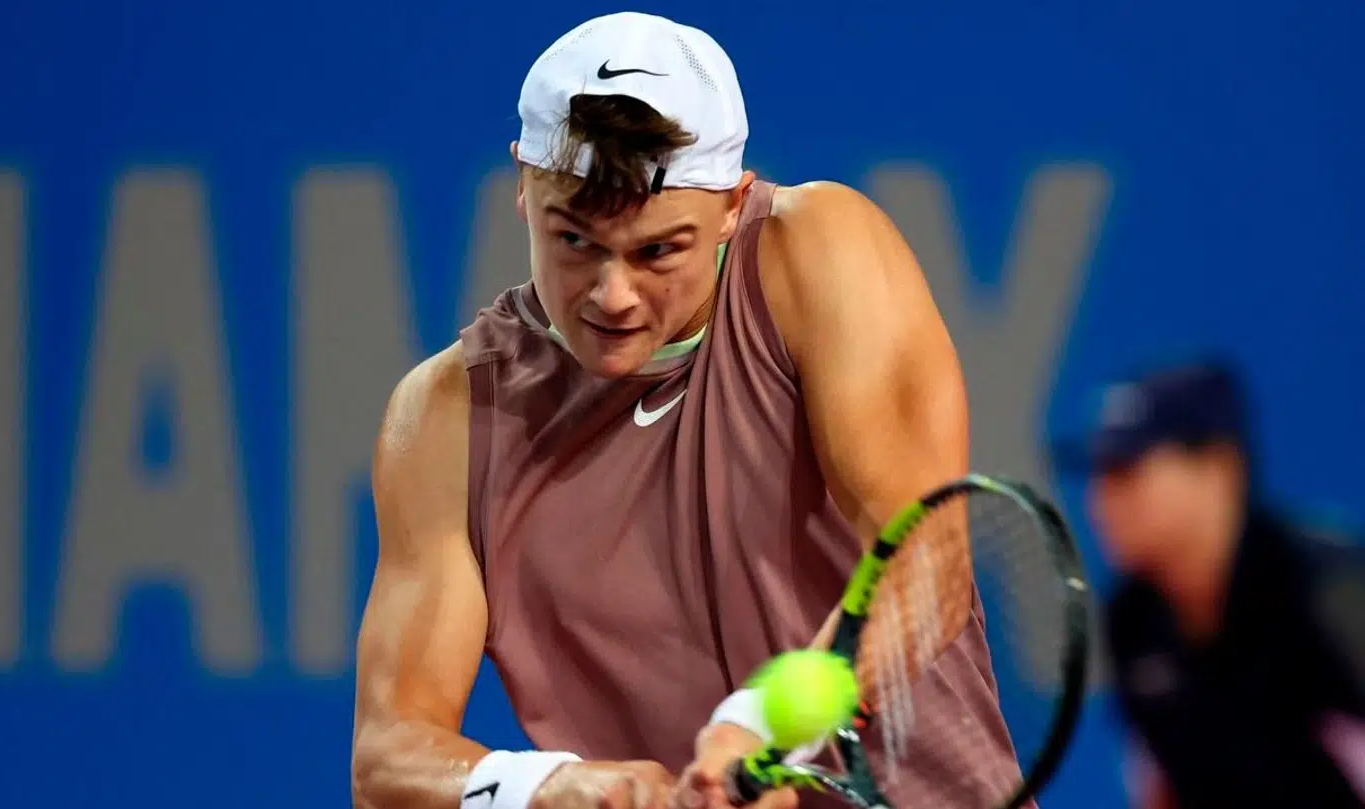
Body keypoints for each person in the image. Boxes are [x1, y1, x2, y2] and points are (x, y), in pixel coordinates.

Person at [351, 11, 1023, 809]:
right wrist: (546, 785)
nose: (613, 294)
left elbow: (926, 561)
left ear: (733, 204)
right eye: (576, 241)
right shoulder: (444, 421)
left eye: (657, 251)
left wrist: (766, 722)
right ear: (523, 186)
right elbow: (388, 755)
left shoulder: (817, 251)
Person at [1060, 361, 1365, 808]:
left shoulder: (1333, 591)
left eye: (1126, 470)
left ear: (1219, 469)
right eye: (1096, 476)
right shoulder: (1132, 619)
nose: (1100, 502)